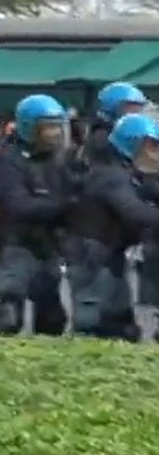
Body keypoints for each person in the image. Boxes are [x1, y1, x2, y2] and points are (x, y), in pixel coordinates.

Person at [63, 114, 159, 341]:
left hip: (106, 251)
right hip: (91, 253)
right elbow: (134, 211)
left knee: (120, 324)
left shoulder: (120, 173)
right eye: (151, 147)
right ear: (132, 146)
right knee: (92, 323)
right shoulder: (113, 177)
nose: (157, 155)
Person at [0, 94, 74, 336]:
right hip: (15, 243)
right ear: (29, 128)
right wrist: (64, 207)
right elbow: (18, 206)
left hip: (48, 245)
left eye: (56, 126)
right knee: (9, 313)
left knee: (53, 319)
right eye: (47, 127)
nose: (53, 134)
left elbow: (73, 189)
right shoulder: (9, 161)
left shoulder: (57, 161)